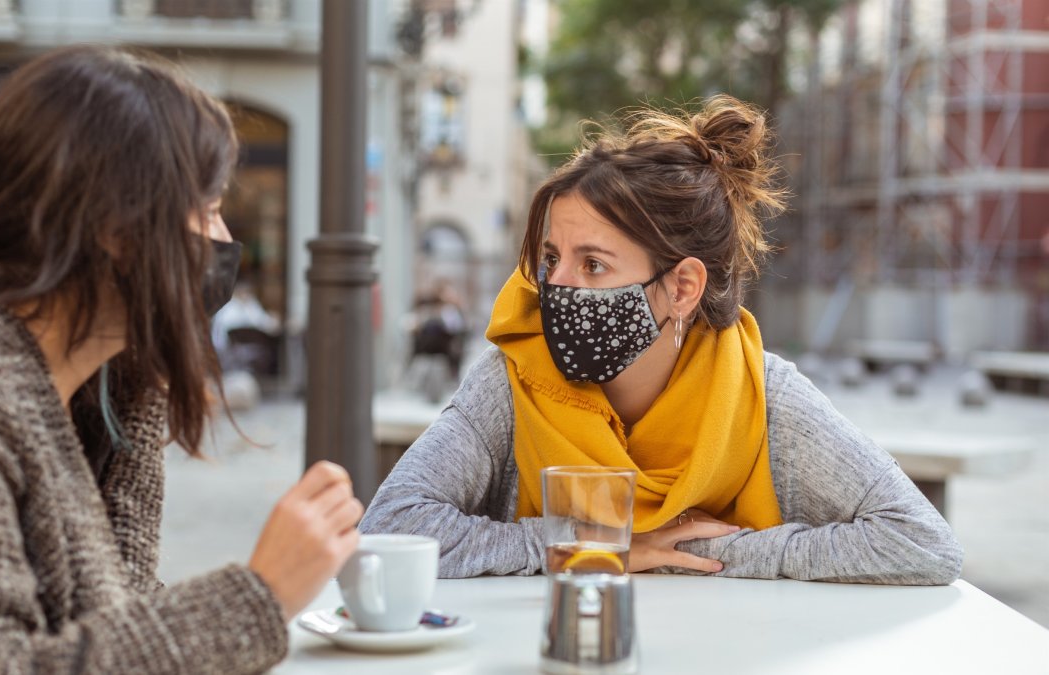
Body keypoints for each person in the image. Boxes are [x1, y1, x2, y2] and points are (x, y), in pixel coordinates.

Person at [0, 46, 362, 675]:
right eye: (207, 210)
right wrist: (259, 596)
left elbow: (113, 616)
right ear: (114, 227)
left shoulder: (90, 385)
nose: (227, 242)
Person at [360, 95, 963, 585]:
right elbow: (388, 530)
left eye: (592, 264)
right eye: (551, 258)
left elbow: (922, 543)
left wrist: (700, 555)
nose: (557, 285)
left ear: (681, 289)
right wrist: (602, 546)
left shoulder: (762, 395)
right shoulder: (515, 376)